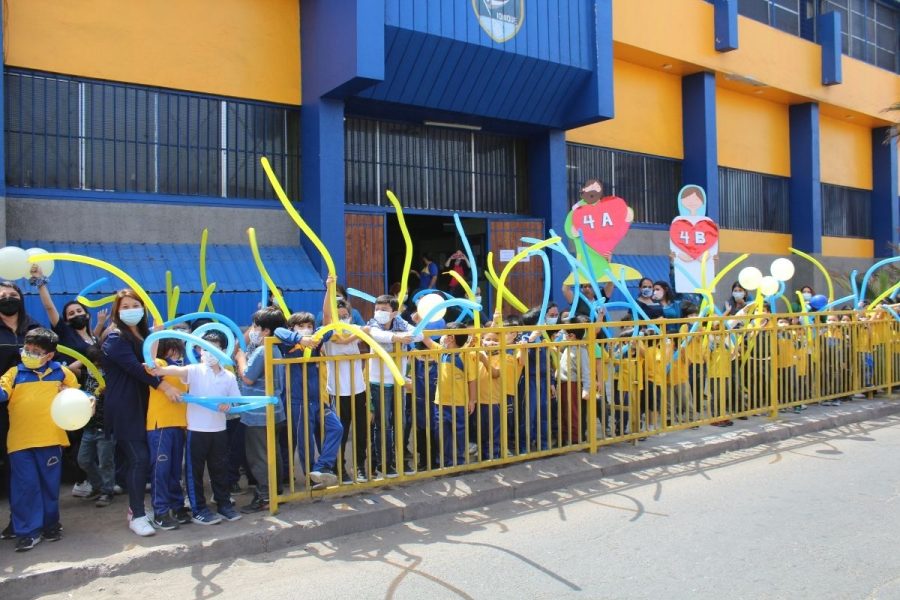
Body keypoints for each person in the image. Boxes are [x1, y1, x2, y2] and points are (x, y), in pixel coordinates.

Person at [101, 289, 182, 537]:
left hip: (146, 405)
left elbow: (151, 361)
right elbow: (136, 369)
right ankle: (136, 514)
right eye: (124, 306)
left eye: (134, 305)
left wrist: (157, 335)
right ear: (116, 311)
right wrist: (164, 386)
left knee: (145, 459)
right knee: (138, 458)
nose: (130, 310)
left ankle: (141, 508)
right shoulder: (115, 338)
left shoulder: (143, 335)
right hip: (125, 407)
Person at [0, 328, 82, 551]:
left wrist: (87, 401)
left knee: (49, 485)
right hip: (20, 443)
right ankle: (27, 531)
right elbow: (2, 392)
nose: (29, 353)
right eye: (27, 349)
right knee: (25, 486)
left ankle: (50, 524)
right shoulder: (14, 373)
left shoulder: (63, 374)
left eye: (36, 351)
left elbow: (79, 399)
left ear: (49, 355)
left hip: (51, 440)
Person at [150, 330, 242, 524]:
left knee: (220, 469)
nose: (207, 352)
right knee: (194, 473)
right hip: (196, 431)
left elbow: (236, 401)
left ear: (223, 350)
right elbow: (174, 371)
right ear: (199, 350)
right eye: (204, 348)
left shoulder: (229, 376)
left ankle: (224, 504)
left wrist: (229, 405)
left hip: (219, 430)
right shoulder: (195, 370)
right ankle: (199, 509)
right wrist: (159, 369)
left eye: (214, 348)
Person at [274, 312, 344, 488]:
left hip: (318, 399)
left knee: (336, 428)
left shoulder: (315, 340)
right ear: (293, 328)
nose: (306, 330)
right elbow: (278, 331)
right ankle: (311, 478)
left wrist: (315, 335)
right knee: (306, 443)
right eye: (301, 326)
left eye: (309, 327)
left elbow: (328, 329)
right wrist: (299, 338)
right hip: (299, 401)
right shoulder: (286, 344)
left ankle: (321, 468)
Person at [0, 281, 42, 539]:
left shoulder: (34, 327)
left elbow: (52, 359)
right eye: (2, 295)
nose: (7, 298)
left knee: (25, 468)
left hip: (31, 409)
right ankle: (18, 521)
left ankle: (27, 521)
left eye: (12, 294)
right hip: (1, 406)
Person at [235, 308, 286, 513]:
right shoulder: (275, 347)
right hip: (274, 412)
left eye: (256, 326)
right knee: (273, 454)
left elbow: (247, 377)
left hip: (258, 415)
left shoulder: (263, 349)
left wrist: (240, 357)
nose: (253, 330)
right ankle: (275, 492)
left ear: (265, 331)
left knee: (259, 457)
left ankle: (265, 496)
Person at [319, 281, 369, 482]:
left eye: (344, 311)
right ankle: (340, 468)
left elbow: (371, 333)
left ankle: (360, 467)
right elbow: (334, 332)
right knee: (341, 429)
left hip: (359, 387)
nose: (341, 315)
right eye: (337, 312)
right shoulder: (330, 331)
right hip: (337, 389)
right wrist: (330, 289)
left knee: (361, 429)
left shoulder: (355, 327)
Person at [363, 294, 417, 478]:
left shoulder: (401, 323)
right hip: (379, 382)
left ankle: (399, 459)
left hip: (398, 381)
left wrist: (405, 335)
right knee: (383, 425)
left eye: (384, 310)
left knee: (399, 423)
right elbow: (378, 335)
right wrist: (399, 338)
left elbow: (419, 334)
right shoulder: (373, 325)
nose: (379, 312)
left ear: (394, 312)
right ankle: (384, 464)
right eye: (377, 309)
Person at [144, 338, 189, 530]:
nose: (177, 354)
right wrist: (156, 337)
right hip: (160, 425)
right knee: (160, 470)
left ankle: (177, 505)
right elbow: (149, 363)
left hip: (179, 425)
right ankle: (160, 510)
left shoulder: (182, 370)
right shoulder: (160, 365)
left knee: (174, 470)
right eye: (174, 350)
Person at [423, 322, 476, 468]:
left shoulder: (465, 356)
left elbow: (472, 380)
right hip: (440, 403)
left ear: (451, 338)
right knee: (442, 433)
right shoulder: (441, 352)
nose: (442, 336)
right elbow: (426, 339)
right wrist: (420, 323)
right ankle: (445, 462)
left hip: (459, 403)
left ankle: (458, 461)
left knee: (459, 434)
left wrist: (472, 400)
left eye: (445, 333)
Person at [75, 344, 115, 507]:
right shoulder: (85, 374)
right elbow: (71, 368)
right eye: (93, 363)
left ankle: (107, 491)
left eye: (99, 363)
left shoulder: (112, 376)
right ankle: (98, 485)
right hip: (89, 426)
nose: (96, 367)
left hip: (105, 427)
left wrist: (108, 391)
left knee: (106, 461)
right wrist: (84, 360)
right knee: (83, 460)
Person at [556, 316, 591, 445]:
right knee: (564, 411)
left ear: (571, 336)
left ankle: (575, 438)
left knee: (572, 412)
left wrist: (587, 388)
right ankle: (565, 437)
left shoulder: (581, 350)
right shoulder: (568, 348)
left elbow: (586, 371)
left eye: (564, 333)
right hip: (563, 382)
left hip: (572, 383)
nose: (562, 335)